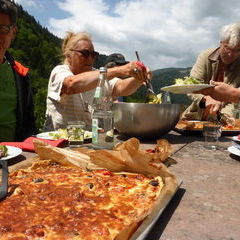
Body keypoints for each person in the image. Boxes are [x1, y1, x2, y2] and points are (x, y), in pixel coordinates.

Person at [44, 32, 151, 131]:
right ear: (68, 55)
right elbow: (71, 85)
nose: (90, 59)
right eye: (85, 53)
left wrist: (138, 79)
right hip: (59, 143)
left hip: (87, 144)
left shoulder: (97, 74)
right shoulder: (59, 71)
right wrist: (120, 70)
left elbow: (120, 87)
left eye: (93, 54)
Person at [182, 22, 240, 123]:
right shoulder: (205, 56)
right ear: (221, 42)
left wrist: (226, 115)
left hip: (225, 121)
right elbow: (191, 86)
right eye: (227, 48)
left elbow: (234, 99)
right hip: (195, 118)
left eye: (237, 50)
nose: (231, 54)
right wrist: (206, 99)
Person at [0, 0, 36, 141]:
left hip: (14, 156)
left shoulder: (21, 74)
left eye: (2, 29)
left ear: (13, 33)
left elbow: (29, 123)